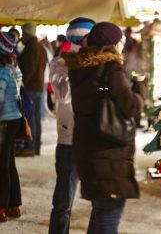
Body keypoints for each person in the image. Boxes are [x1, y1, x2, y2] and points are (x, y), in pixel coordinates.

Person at [63, 22, 146, 234]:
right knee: (108, 221)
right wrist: (140, 87)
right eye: (121, 41)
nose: (123, 44)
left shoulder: (79, 68)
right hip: (108, 155)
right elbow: (130, 106)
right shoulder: (111, 69)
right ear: (113, 44)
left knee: (101, 215)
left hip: (87, 150)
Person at [48, 17, 95, 234]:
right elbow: (64, 95)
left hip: (94, 139)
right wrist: (80, 64)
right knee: (63, 201)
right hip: (69, 140)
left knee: (101, 203)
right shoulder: (60, 63)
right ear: (84, 39)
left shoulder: (100, 62)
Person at [0, 32, 23, 222]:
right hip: (14, 118)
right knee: (9, 162)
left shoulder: (1, 71)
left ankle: (2, 207)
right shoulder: (14, 67)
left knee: (2, 165)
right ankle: (14, 205)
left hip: (3, 121)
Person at [17, 22, 48, 156]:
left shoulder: (31, 47)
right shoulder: (40, 47)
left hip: (31, 87)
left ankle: (29, 147)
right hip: (38, 87)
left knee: (30, 119)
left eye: (23, 34)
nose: (22, 37)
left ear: (27, 34)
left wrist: (21, 85)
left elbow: (29, 69)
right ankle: (35, 147)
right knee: (35, 118)